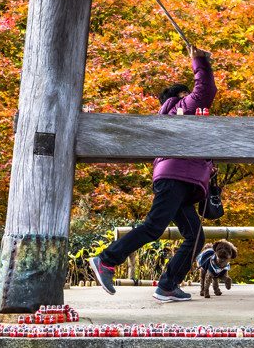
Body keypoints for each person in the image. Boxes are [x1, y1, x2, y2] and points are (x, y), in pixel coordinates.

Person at [89, 44, 217, 302]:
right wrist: (200, 62)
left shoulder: (176, 119)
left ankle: (168, 285)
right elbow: (205, 92)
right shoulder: (178, 108)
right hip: (176, 177)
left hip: (182, 181)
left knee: (195, 235)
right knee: (154, 227)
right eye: (186, 94)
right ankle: (106, 260)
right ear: (180, 97)